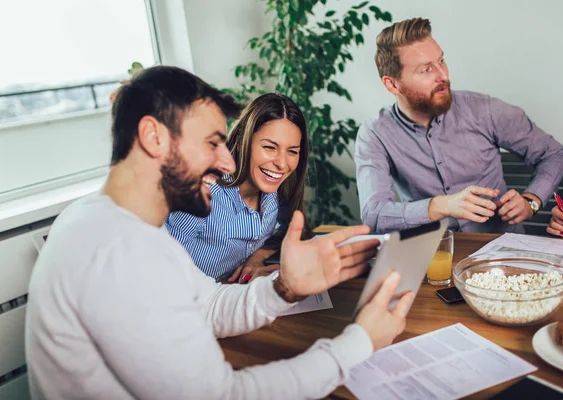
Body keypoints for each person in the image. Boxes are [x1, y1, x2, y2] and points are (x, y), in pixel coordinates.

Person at [25, 66, 415, 400]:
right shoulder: (117, 249)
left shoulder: (131, 229)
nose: (228, 159)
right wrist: (359, 343)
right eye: (212, 143)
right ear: (153, 137)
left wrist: (286, 288)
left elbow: (208, 304)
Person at [355, 17, 563, 234]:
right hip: (431, 254)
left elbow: (554, 154)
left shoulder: (484, 110)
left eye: (441, 61)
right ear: (392, 84)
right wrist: (441, 206)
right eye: (426, 69)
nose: (443, 75)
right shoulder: (375, 134)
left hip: (500, 251)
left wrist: (531, 201)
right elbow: (374, 214)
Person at [165, 93, 310, 283]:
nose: (282, 164)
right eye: (269, 147)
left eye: (292, 151)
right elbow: (163, 272)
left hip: (232, 300)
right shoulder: (202, 192)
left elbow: (293, 229)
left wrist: (257, 257)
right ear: (244, 139)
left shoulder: (276, 193)